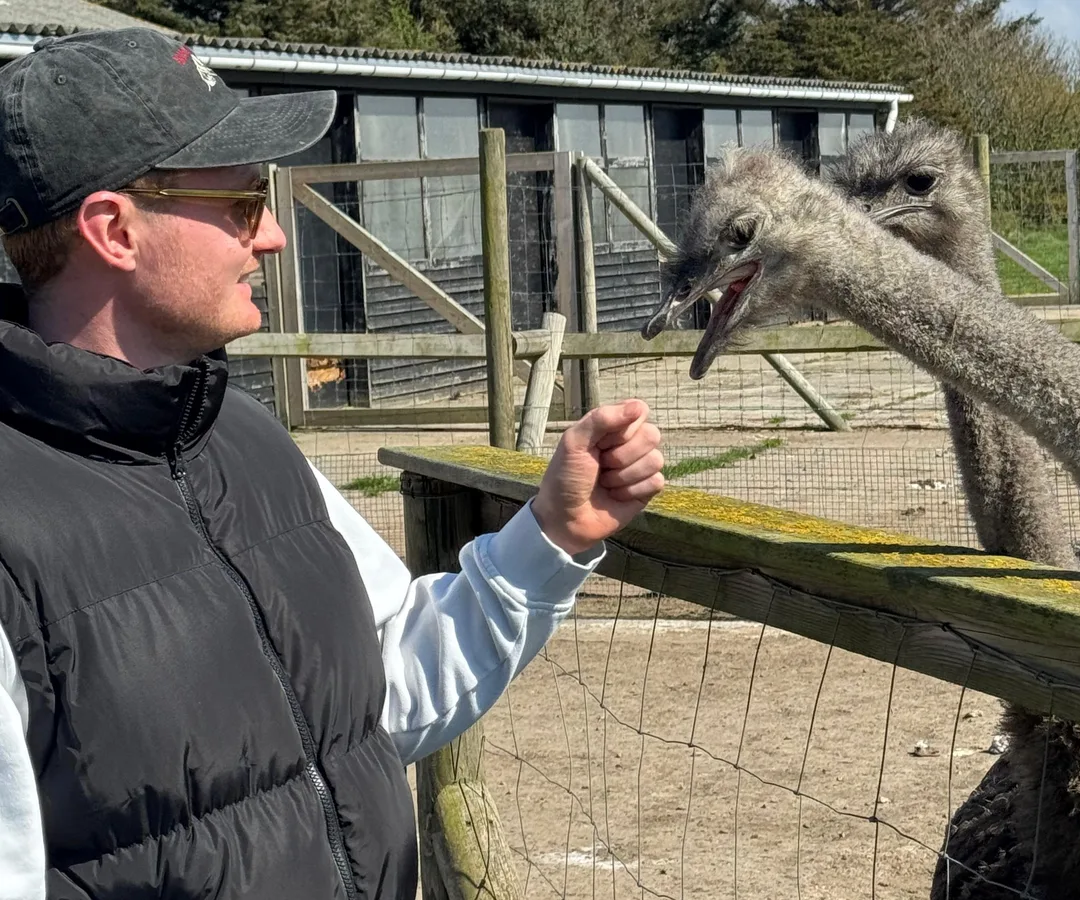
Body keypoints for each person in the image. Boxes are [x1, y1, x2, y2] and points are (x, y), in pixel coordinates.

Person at [0, 26, 664, 900]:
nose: (274, 235)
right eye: (244, 203)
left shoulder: (246, 441)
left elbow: (385, 694)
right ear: (113, 230)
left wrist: (551, 536)